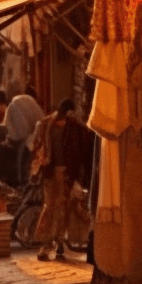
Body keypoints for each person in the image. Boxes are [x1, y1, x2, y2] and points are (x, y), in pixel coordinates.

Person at [29, 98, 96, 261]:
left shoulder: (59, 125)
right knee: (54, 209)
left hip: (61, 174)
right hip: (56, 173)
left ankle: (56, 244)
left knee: (58, 209)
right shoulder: (57, 126)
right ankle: (50, 244)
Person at [4, 87, 46, 185]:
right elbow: (42, 121)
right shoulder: (32, 103)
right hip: (31, 144)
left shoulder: (13, 104)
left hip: (18, 141)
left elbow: (8, 125)